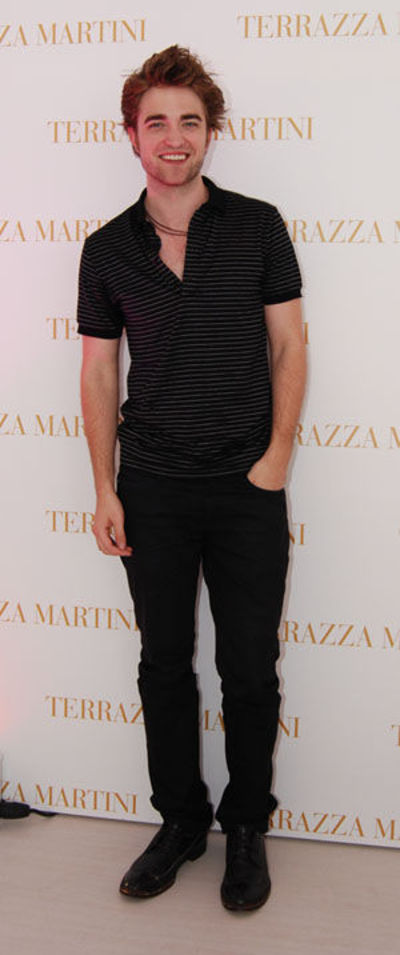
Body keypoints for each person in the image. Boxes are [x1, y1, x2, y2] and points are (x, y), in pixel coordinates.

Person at [78, 44, 306, 912]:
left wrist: (276, 457)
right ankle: (180, 820)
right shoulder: (106, 249)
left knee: (250, 667)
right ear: (132, 134)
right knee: (163, 663)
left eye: (190, 122)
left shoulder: (259, 225)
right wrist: (106, 487)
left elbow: (289, 345)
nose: (173, 137)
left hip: (248, 484)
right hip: (153, 487)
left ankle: (246, 826)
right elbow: (100, 372)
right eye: (157, 122)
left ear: (211, 133)